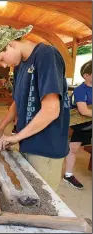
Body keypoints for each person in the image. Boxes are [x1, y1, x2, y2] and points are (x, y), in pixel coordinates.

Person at [0, 25, 70, 191]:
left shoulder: (46, 56)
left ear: (11, 44)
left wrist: (15, 138)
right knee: (28, 192)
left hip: (46, 147)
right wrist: (1, 128)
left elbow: (51, 110)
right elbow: (17, 101)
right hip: (28, 141)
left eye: (1, 58)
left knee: (43, 200)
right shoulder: (20, 65)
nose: (2, 64)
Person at [64, 60, 92, 189]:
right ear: (86, 75)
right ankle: (68, 175)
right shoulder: (80, 90)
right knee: (73, 148)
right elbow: (83, 110)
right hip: (80, 123)